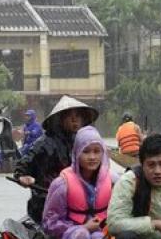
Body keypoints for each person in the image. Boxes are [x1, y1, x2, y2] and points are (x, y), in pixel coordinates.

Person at [14, 95, 98, 223]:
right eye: (70, 116)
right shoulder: (45, 143)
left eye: (78, 116)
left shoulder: (82, 142)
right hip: (46, 200)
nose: (75, 119)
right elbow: (22, 166)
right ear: (60, 119)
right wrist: (22, 177)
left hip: (78, 201)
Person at [42, 126, 117, 239]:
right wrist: (84, 228)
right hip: (71, 238)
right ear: (76, 153)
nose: (92, 157)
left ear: (103, 153)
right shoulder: (61, 185)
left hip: (102, 233)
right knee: (81, 236)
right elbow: (49, 223)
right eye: (86, 152)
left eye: (97, 151)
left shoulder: (113, 181)